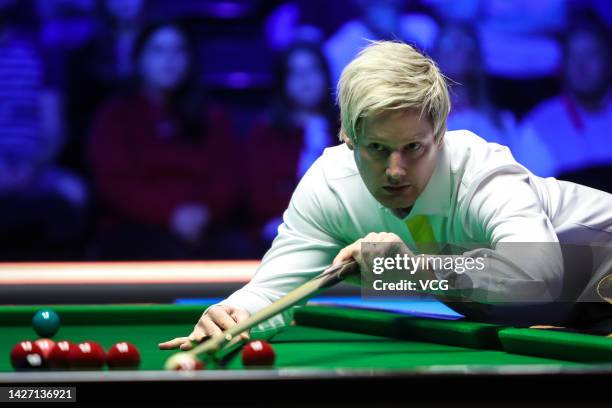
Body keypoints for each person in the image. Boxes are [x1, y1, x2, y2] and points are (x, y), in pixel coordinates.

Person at [160, 41, 612, 351]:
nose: (395, 170)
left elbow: (542, 274)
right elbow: (275, 290)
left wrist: (407, 268)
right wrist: (234, 314)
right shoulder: (330, 186)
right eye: (377, 149)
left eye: (413, 148)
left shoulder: (482, 169)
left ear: (439, 134)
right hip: (580, 316)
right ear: (348, 137)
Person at [89, 22, 240, 260]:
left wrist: (204, 212)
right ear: (138, 58)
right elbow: (114, 183)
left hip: (205, 225)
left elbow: (227, 178)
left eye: (178, 50)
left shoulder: (212, 116)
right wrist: (171, 214)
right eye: (158, 50)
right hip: (135, 226)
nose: (169, 60)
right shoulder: (115, 115)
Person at [245, 42, 337, 253]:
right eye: (295, 73)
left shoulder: (349, 129)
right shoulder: (265, 132)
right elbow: (259, 197)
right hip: (281, 228)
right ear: (282, 81)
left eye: (312, 70)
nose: (305, 79)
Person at [521, 12, 612, 179]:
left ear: (608, 61)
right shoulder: (538, 125)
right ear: (562, 66)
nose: (581, 66)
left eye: (591, 54)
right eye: (572, 56)